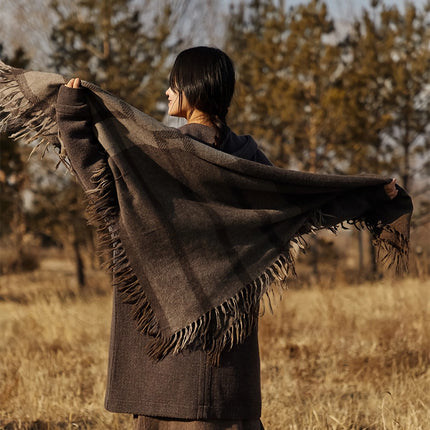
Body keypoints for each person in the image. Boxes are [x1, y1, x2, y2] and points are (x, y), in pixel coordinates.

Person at [56, 46, 398, 430]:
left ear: (192, 88)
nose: (167, 92)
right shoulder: (246, 157)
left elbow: (97, 177)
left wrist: (71, 114)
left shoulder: (160, 157)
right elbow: (300, 208)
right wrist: (369, 195)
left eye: (173, 84)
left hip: (168, 351)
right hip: (226, 365)